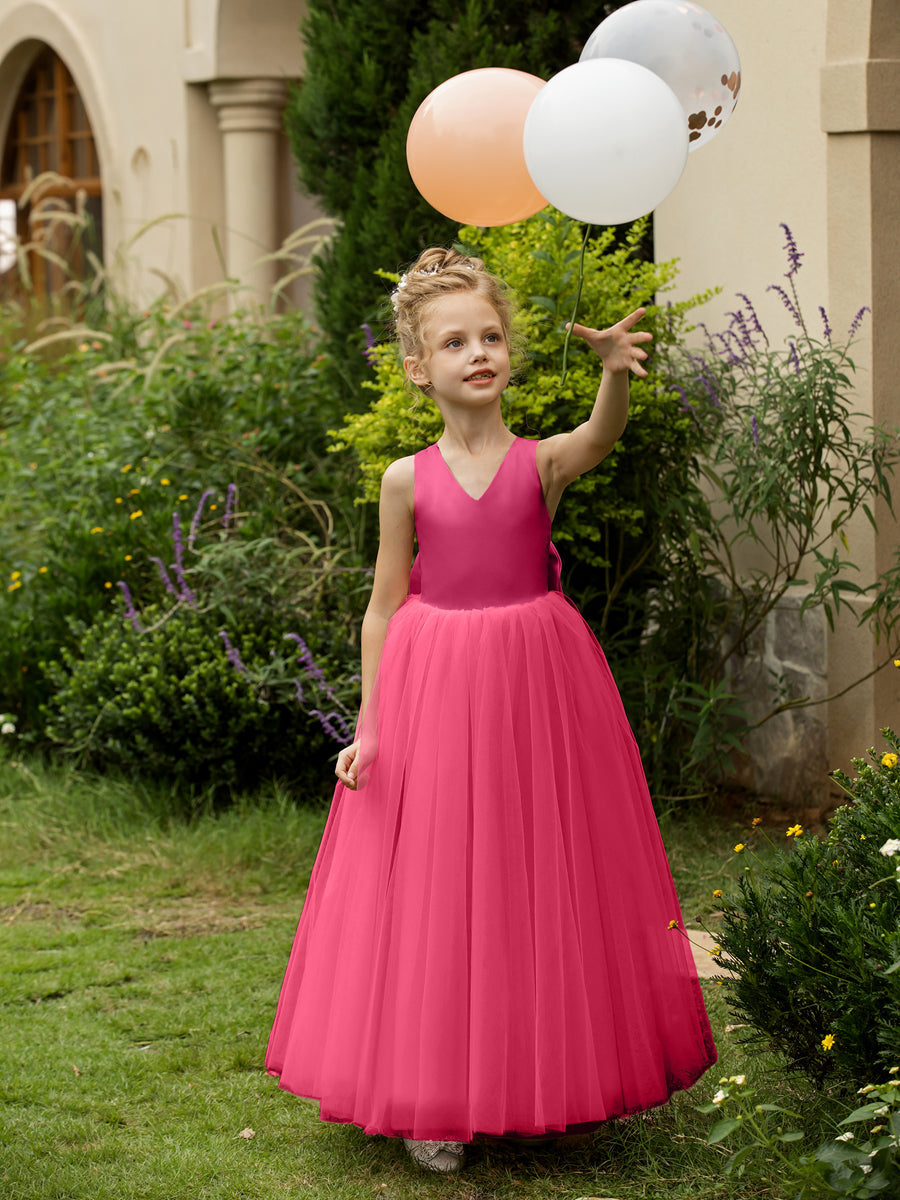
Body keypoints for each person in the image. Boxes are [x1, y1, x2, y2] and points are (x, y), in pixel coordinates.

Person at [266, 247, 716, 1174]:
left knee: (537, 870)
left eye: (491, 337)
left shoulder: (539, 462)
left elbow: (599, 439)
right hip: (433, 685)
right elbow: (383, 607)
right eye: (455, 342)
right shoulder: (405, 479)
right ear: (416, 368)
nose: (478, 353)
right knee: (439, 881)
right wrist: (370, 726)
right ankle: (434, 1094)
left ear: (510, 351)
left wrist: (612, 374)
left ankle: (553, 1071)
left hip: (536, 685)